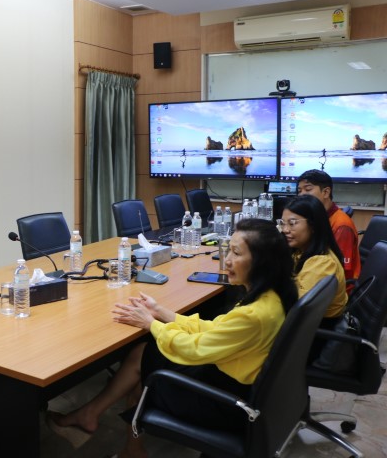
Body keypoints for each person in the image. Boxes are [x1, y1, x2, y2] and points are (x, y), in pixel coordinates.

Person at [47, 219, 297, 458]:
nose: (227, 259)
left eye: (236, 253)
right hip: (238, 385)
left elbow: (194, 349)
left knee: (144, 364)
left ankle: (118, 439)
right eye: (228, 250)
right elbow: (215, 329)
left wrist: (151, 324)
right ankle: (103, 425)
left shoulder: (254, 315)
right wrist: (162, 312)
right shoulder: (270, 298)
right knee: (143, 355)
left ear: (262, 262)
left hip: (226, 402)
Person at [280, 194, 348, 326]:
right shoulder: (301, 250)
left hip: (315, 330)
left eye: (292, 223)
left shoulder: (322, 263)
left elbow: (296, 309)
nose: (285, 230)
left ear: (313, 225)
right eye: (283, 223)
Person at [297, 169, 361, 282]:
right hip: (316, 272)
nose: (301, 195)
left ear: (326, 192)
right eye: (299, 190)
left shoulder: (342, 225)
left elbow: (340, 269)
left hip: (334, 285)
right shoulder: (315, 217)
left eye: (307, 189)